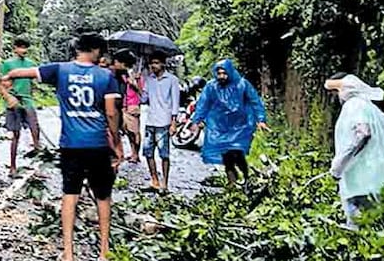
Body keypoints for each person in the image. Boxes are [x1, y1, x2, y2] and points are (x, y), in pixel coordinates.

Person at [0, 34, 123, 261]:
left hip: (71, 144)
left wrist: (8, 77)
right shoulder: (106, 76)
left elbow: (26, 73)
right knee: (103, 196)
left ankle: (68, 254)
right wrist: (116, 143)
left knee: (70, 195)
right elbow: (111, 113)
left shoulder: (60, 70)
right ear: (96, 50)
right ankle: (104, 252)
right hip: (97, 144)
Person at [325, 73, 384, 225]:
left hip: (362, 181)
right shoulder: (371, 108)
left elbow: (362, 133)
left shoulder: (353, 105)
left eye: (335, 92)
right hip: (379, 180)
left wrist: (338, 165)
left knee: (359, 230)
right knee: (379, 227)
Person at [190, 59, 269, 186]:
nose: (221, 76)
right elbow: (203, 104)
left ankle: (246, 178)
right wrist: (197, 120)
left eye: (224, 73)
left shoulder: (242, 84)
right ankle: (232, 183)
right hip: (220, 127)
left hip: (240, 126)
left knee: (237, 153)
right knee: (226, 156)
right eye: (219, 73)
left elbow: (255, 101)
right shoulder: (211, 86)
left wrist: (261, 120)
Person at [0, 36, 42, 176]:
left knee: (35, 130)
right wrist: (8, 97)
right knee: (15, 135)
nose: (23, 50)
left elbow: (34, 82)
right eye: (21, 47)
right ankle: (12, 167)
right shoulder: (7, 64)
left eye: (25, 47)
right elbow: (1, 84)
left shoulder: (31, 63)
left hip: (27, 100)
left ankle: (38, 167)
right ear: (15, 48)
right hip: (13, 102)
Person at [142, 51, 181, 192]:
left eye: (157, 62)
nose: (154, 65)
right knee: (147, 152)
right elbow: (143, 99)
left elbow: (175, 102)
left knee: (164, 154)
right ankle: (154, 180)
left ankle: (165, 182)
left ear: (163, 64)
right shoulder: (149, 79)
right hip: (150, 120)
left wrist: (174, 122)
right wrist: (136, 84)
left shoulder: (172, 80)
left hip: (164, 121)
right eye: (152, 63)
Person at [111, 50, 142, 163]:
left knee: (133, 132)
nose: (126, 67)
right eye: (126, 65)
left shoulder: (129, 75)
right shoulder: (113, 74)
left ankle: (135, 154)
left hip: (128, 107)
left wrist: (133, 82)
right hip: (118, 108)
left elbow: (140, 92)